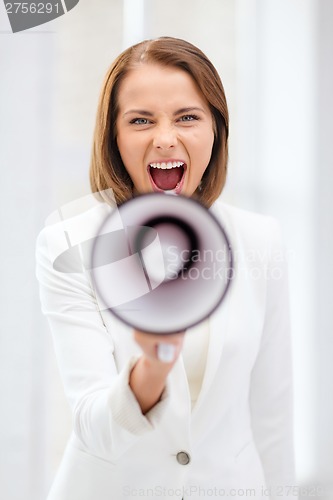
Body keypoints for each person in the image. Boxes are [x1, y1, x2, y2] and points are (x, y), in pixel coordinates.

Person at [36, 37, 296, 500]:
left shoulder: (261, 241)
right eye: (140, 120)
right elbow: (94, 428)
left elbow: (271, 414)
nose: (165, 138)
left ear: (216, 130)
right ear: (113, 137)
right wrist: (150, 373)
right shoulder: (68, 244)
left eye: (187, 117)